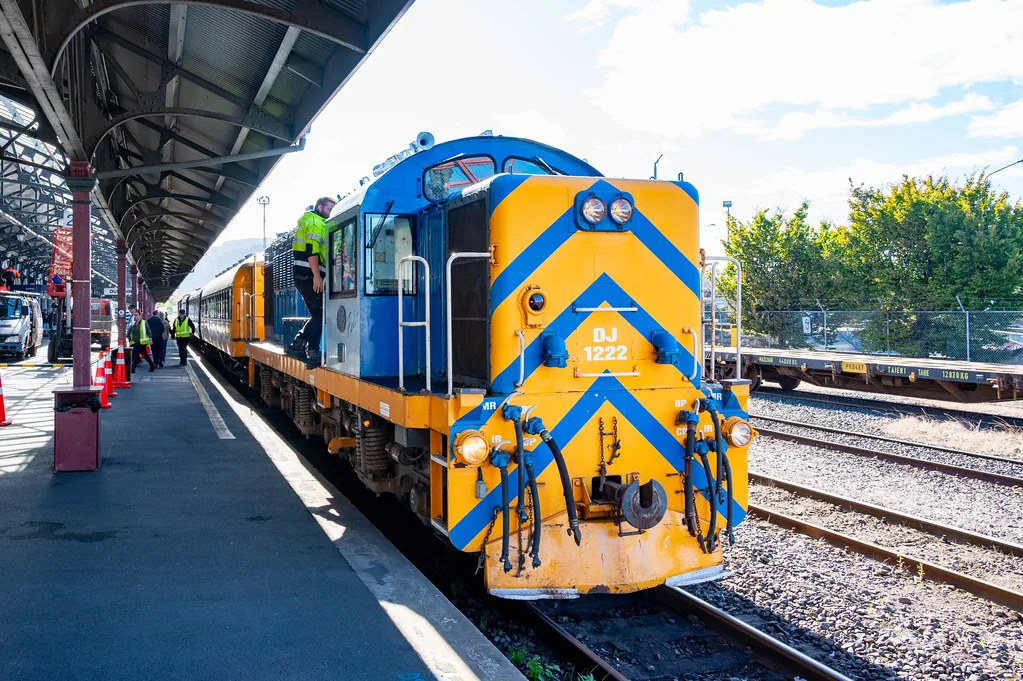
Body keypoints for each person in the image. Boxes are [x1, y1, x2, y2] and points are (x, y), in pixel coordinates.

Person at [288, 196, 335, 367]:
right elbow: (311, 251)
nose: (330, 213)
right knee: (321, 314)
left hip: (306, 274)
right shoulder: (315, 222)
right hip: (308, 275)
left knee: (319, 314)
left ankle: (312, 351)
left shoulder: (316, 221)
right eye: (329, 209)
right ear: (320, 207)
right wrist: (316, 275)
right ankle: (297, 345)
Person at [128, 306, 155, 373]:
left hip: (141, 342)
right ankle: (152, 365)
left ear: (140, 316)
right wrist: (128, 336)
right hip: (134, 342)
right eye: (134, 315)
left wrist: (150, 339)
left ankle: (133, 368)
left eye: (136, 315)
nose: (135, 317)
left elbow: (148, 332)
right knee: (144, 354)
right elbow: (130, 332)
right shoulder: (133, 323)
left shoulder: (144, 323)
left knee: (135, 355)